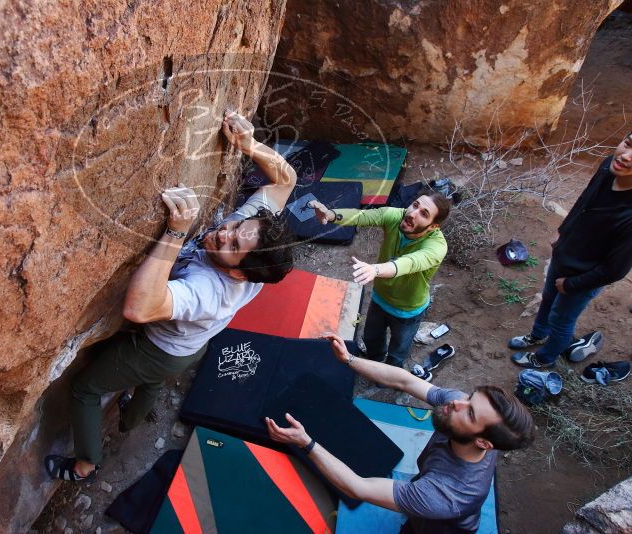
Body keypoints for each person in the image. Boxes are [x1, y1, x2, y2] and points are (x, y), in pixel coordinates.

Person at [45, 110, 297, 482]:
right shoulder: (252, 238)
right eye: (237, 226)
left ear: (240, 272)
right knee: (151, 382)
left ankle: (85, 465)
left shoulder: (210, 292)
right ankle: (130, 419)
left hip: (160, 349)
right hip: (189, 344)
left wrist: (176, 234)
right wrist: (250, 145)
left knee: (86, 388)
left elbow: (139, 307)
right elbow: (286, 180)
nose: (224, 233)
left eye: (231, 246)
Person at [266, 332, 535, 534]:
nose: (456, 402)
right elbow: (405, 380)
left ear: (483, 442)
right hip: (429, 487)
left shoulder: (446, 495)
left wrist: (306, 442)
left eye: (470, 412)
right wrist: (348, 359)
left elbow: (358, 487)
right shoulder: (460, 407)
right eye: (471, 397)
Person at [509, 133, 632, 368]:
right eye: (627, 144)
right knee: (547, 300)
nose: (625, 157)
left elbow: (614, 270)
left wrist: (571, 284)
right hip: (564, 255)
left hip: (582, 277)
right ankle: (537, 335)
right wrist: (562, 230)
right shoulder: (610, 166)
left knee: (562, 320)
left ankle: (545, 358)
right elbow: (586, 200)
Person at [310, 192, 451, 367]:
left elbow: (410, 263)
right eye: (415, 205)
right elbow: (362, 216)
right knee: (371, 338)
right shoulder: (395, 216)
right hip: (380, 298)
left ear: (432, 226)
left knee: (398, 350)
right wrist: (330, 215)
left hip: (408, 310)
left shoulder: (437, 246)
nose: (413, 213)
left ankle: (389, 373)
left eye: (424, 214)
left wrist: (375, 269)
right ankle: (375, 362)